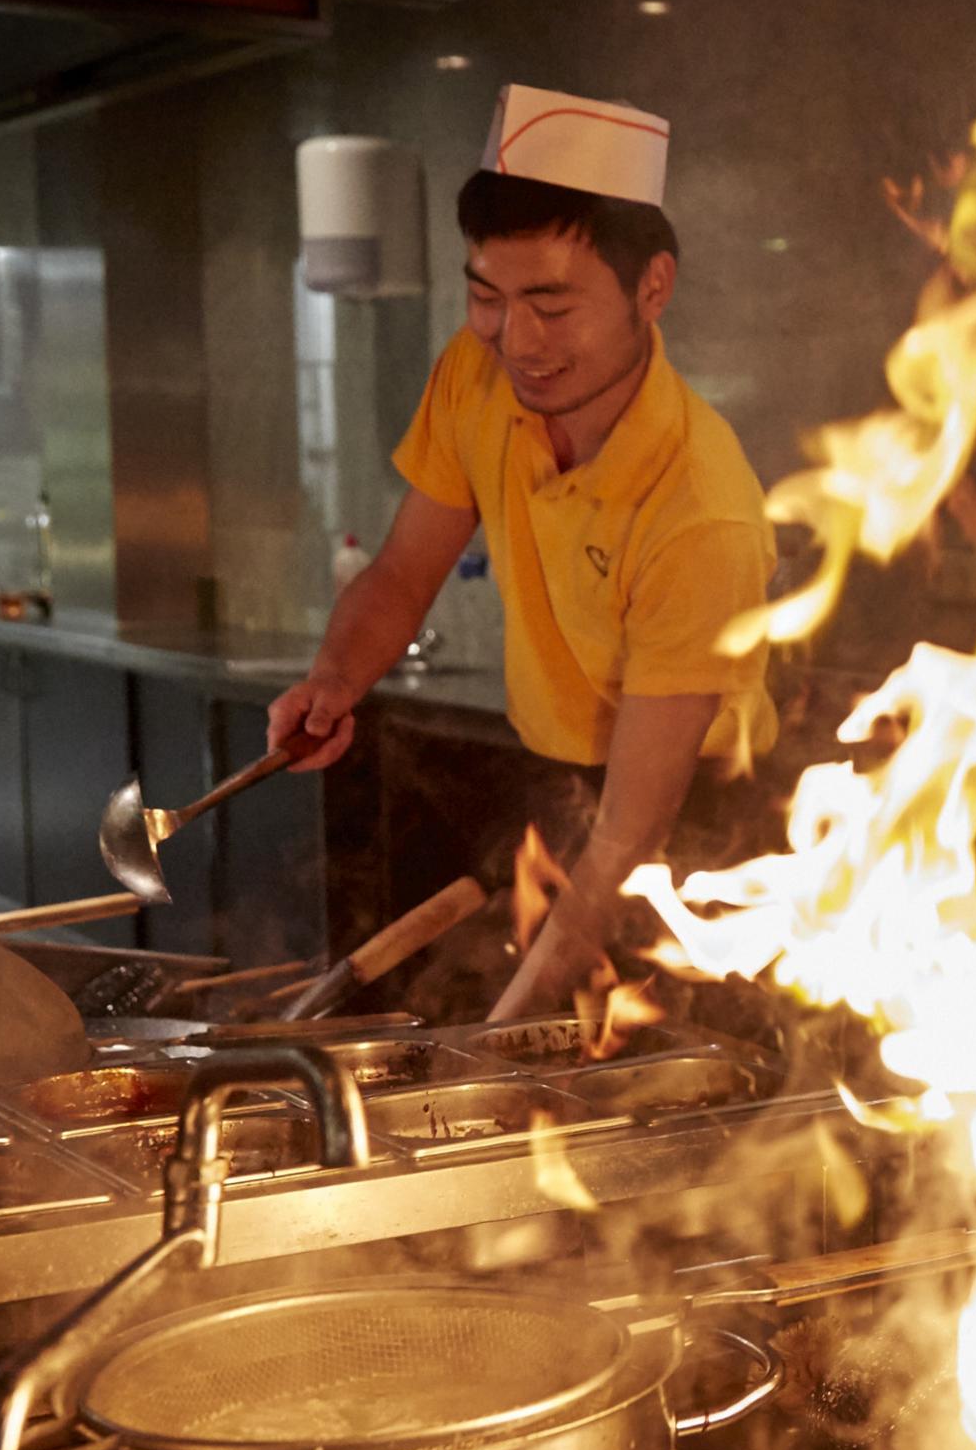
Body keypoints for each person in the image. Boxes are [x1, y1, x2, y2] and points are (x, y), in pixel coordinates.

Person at [266, 85, 774, 1024]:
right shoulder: (475, 373)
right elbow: (403, 573)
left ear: (651, 287)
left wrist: (509, 1032)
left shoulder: (699, 510)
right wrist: (334, 679)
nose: (517, 341)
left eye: (551, 303)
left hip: (698, 843)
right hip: (560, 787)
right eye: (486, 296)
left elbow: (632, 832)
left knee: (651, 1109)